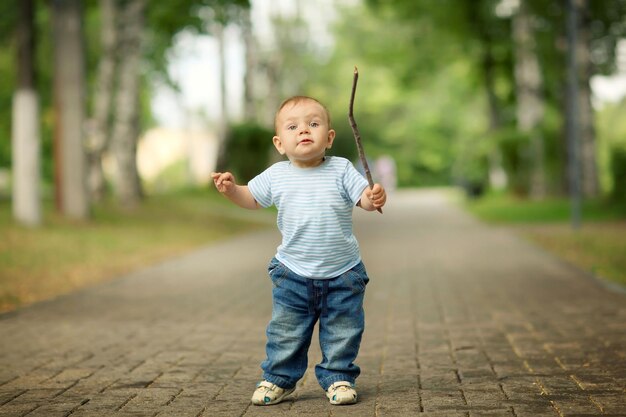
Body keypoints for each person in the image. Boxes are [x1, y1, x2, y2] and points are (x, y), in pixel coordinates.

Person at [211, 96, 387, 406]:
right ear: (280, 143)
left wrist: (374, 196)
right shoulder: (277, 175)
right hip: (292, 272)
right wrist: (231, 190)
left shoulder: (341, 169)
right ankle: (278, 379)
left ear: (329, 137)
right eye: (293, 127)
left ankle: (338, 377)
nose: (304, 130)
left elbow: (365, 201)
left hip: (343, 272)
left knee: (343, 331)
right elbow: (251, 198)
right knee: (286, 332)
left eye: (313, 124)